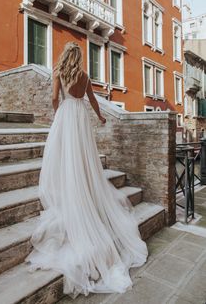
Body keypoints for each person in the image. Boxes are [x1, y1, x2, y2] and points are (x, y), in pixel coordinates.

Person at [25, 42, 148, 299]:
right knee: (82, 157)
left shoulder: (59, 72)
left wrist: (58, 114)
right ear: (79, 57)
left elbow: (53, 98)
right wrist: (101, 119)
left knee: (64, 156)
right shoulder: (84, 76)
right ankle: (83, 189)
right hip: (80, 117)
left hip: (67, 116)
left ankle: (69, 189)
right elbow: (93, 101)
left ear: (64, 55)